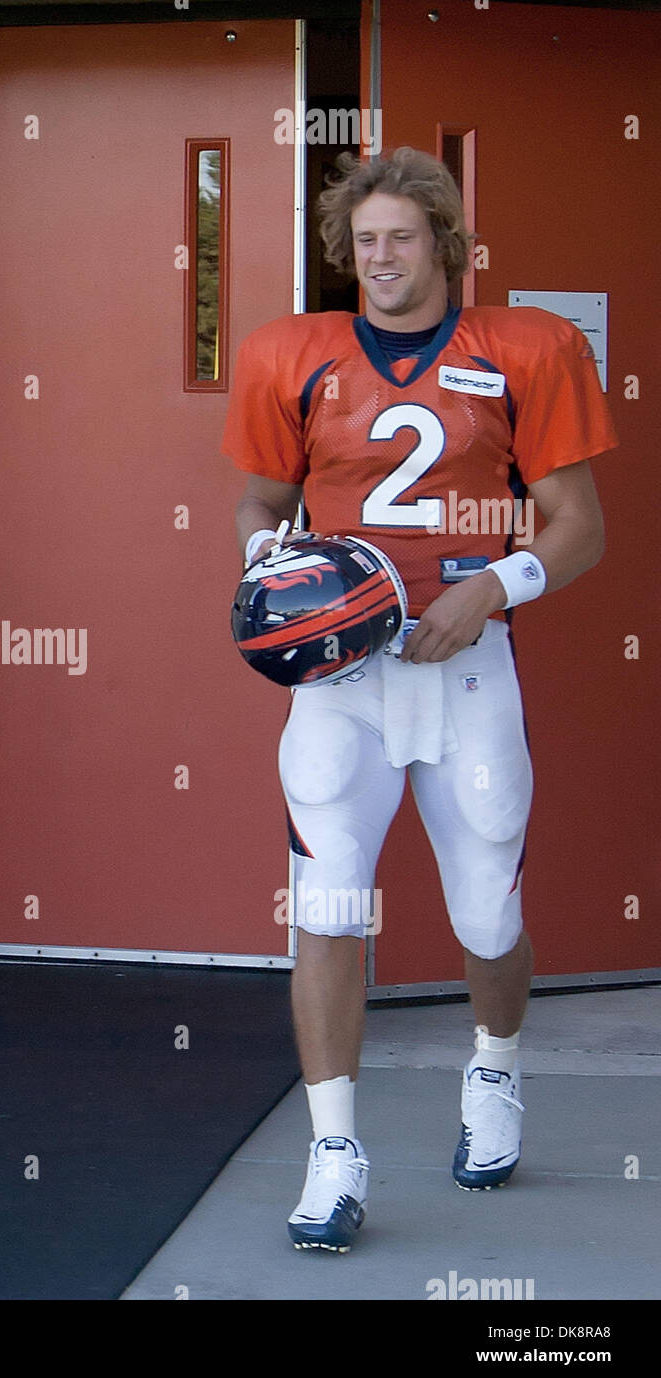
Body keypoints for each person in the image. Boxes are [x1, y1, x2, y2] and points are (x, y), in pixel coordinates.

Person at [223, 147, 616, 1252]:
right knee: (326, 906)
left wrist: (491, 583)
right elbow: (258, 501)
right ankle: (333, 1149)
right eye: (362, 242)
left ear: (443, 245)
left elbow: (577, 526)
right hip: (340, 681)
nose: (378, 258)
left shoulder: (524, 347)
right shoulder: (292, 353)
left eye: (399, 237)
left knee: (485, 910)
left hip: (468, 663)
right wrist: (272, 576)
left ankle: (492, 1068)